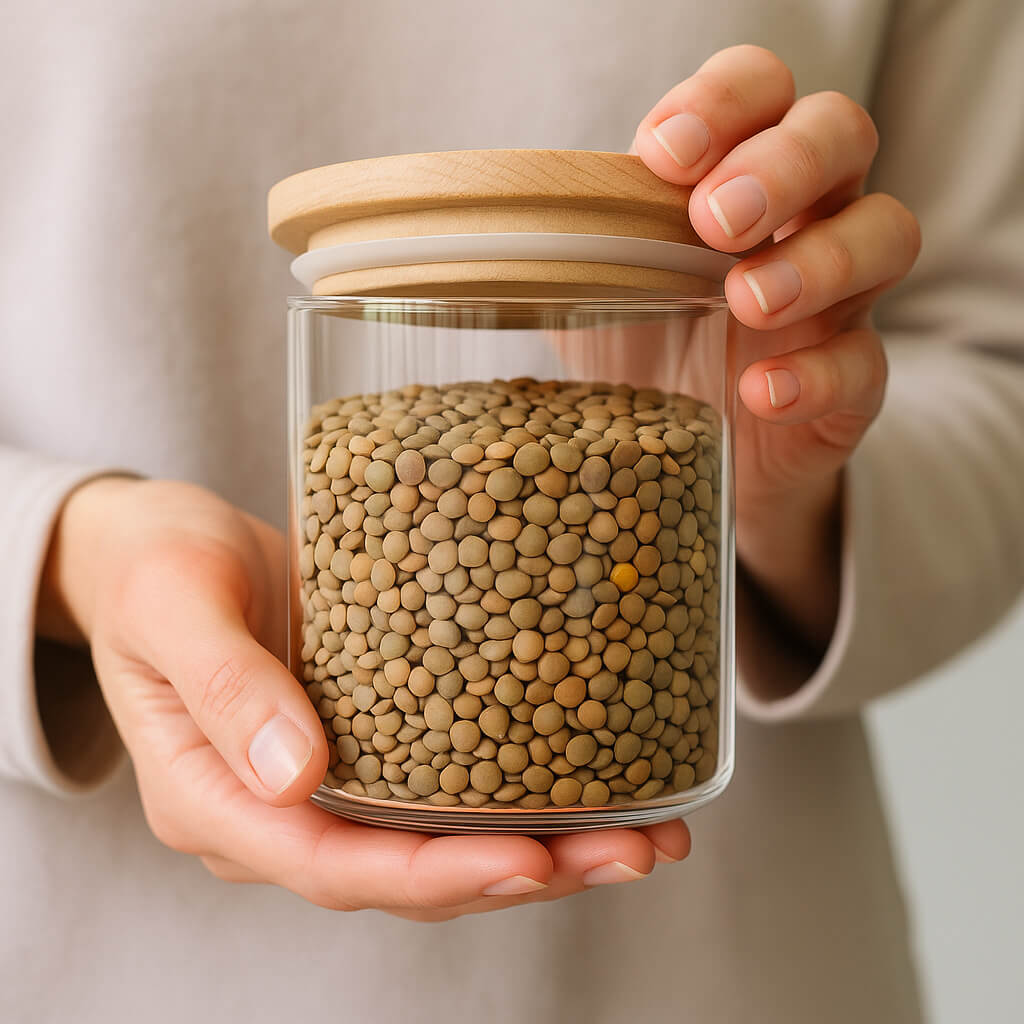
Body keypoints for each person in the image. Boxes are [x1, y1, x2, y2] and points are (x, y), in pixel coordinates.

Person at [2, 2, 1022, 1021]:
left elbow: (992, 356)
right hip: (108, 959)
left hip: (717, 964)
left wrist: (787, 477)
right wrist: (66, 552)